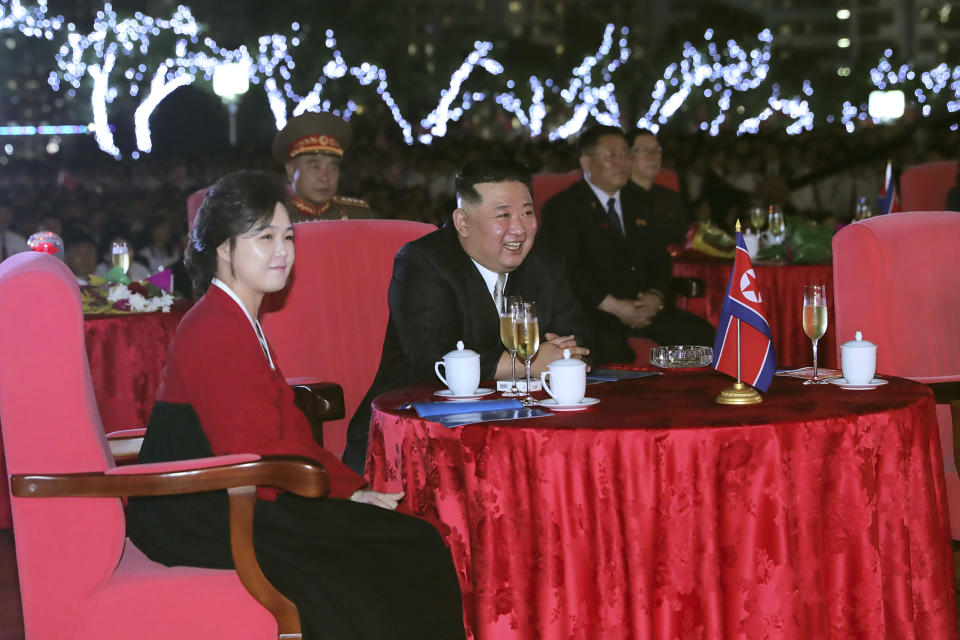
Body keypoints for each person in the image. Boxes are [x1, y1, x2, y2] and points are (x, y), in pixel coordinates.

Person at [126, 170, 465, 640]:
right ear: (223, 248)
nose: (283, 250)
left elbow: (284, 428)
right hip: (205, 508)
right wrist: (333, 497)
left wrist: (350, 490)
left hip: (242, 488)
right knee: (402, 551)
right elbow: (252, 448)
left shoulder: (236, 316)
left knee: (406, 541)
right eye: (264, 237)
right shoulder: (216, 329)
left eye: (287, 236)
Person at [342, 158, 591, 473]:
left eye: (527, 213)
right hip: (417, 432)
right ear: (462, 222)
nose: (519, 228)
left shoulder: (544, 260)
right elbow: (434, 358)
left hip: (521, 429)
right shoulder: (423, 263)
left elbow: (580, 331)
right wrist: (528, 364)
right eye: (503, 215)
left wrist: (563, 353)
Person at [540, 125, 715, 365]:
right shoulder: (563, 207)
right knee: (610, 349)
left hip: (644, 307)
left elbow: (660, 258)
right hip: (595, 310)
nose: (622, 162)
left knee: (701, 334)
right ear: (586, 162)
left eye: (625, 154)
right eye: (611, 155)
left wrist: (656, 296)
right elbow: (568, 270)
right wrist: (616, 307)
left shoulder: (640, 201)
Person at [272, 112, 375, 221]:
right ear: (291, 171)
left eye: (333, 168)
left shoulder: (357, 216)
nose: (325, 177)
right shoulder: (272, 217)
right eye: (315, 167)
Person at [627, 128, 692, 248]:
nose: (653, 156)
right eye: (645, 150)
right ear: (628, 156)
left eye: (657, 150)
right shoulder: (616, 197)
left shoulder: (670, 197)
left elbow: (685, 238)